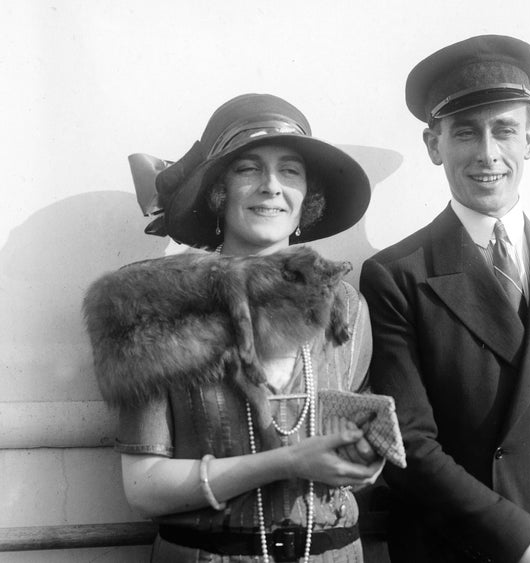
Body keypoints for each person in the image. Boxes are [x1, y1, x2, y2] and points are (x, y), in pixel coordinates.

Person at [359, 35, 530, 563]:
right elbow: (409, 446)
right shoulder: (395, 276)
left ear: (529, 138)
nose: (487, 153)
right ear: (433, 144)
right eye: (465, 132)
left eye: (504, 130)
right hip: (456, 548)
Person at [87, 93, 384, 562]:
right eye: (248, 169)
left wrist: (363, 458)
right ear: (218, 193)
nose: (271, 187)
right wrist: (286, 462)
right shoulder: (151, 303)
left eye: (290, 170)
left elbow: (356, 429)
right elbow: (144, 488)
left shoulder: (346, 303)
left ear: (309, 199)